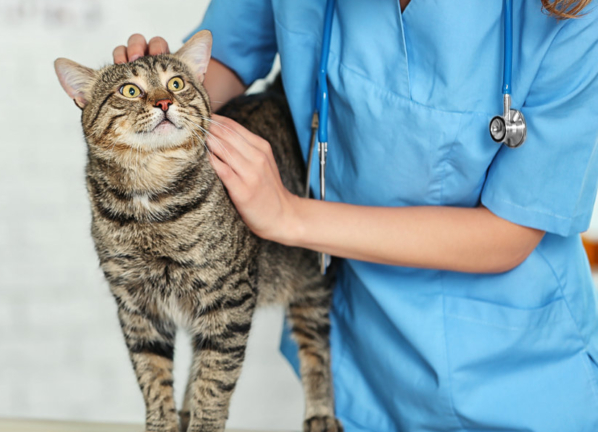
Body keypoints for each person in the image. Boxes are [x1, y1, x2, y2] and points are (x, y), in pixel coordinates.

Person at [113, 0, 598, 431]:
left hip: (518, 375)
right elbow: (225, 57)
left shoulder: (572, 12)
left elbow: (509, 232)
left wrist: (290, 217)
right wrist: (147, 96)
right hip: (357, 359)